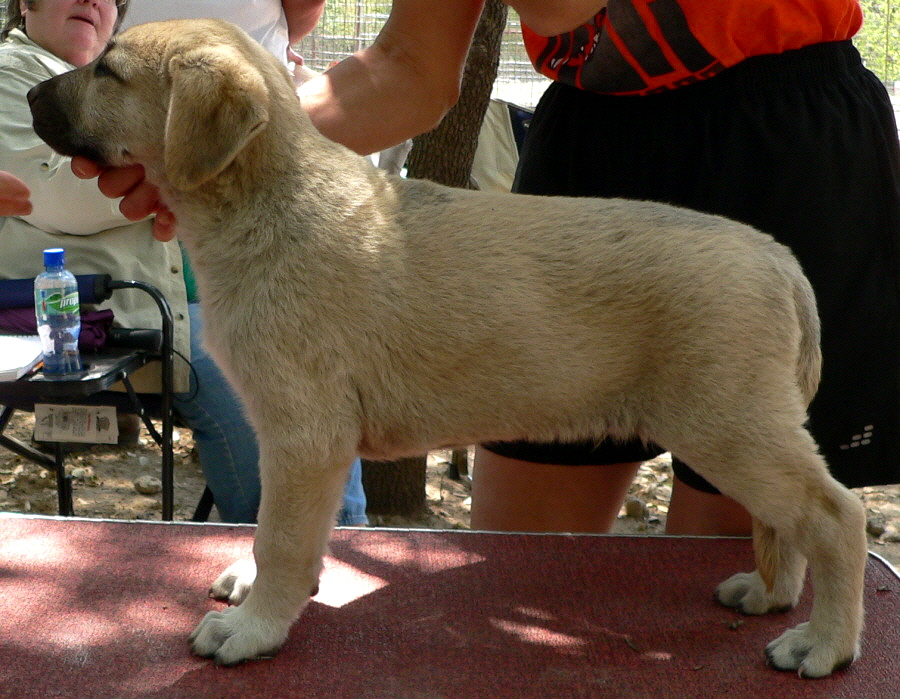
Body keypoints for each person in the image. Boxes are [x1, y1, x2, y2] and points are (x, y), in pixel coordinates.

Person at [75, 0, 900, 536]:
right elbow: (406, 69)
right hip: (594, 132)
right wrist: (233, 148)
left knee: (725, 568)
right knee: (519, 555)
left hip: (777, 133)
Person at [0, 0, 365, 526]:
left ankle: (327, 539)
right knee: (271, 371)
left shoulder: (103, 77)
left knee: (306, 350)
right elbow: (49, 194)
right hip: (106, 308)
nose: (91, 0)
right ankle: (295, 543)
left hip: (192, 297)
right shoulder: (15, 75)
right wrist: (190, 164)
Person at [119, 0, 368, 527]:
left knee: (298, 379)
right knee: (282, 379)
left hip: (242, 177)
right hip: (175, 254)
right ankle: (293, 542)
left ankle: (319, 536)